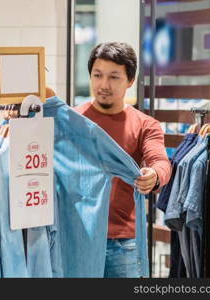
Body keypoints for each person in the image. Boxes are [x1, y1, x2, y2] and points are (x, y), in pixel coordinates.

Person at [74, 42, 171, 278]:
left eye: (114, 77)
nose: (103, 85)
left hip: (122, 242)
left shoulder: (145, 125)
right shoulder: (72, 120)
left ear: (130, 80)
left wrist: (154, 175)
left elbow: (160, 160)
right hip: (76, 236)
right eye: (97, 75)